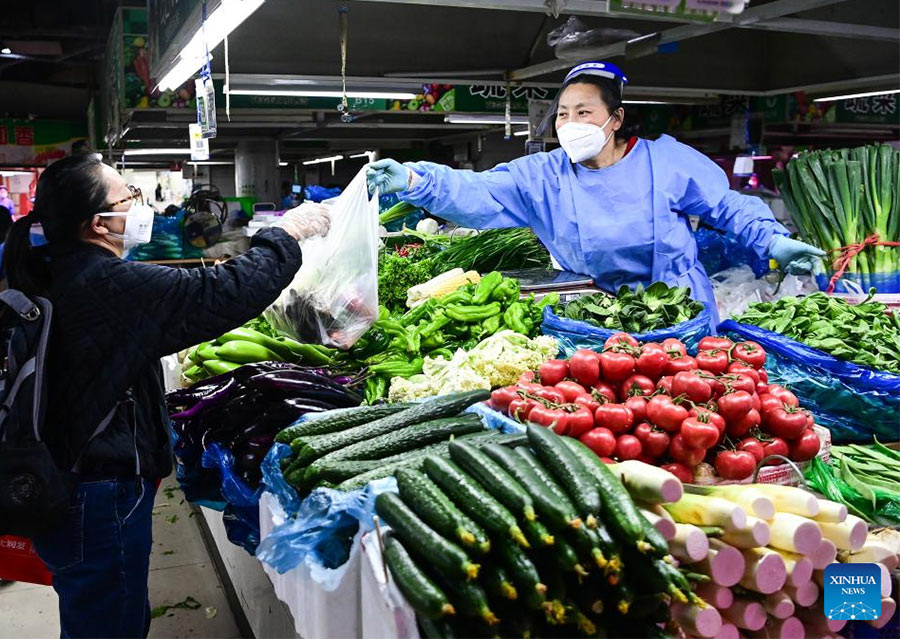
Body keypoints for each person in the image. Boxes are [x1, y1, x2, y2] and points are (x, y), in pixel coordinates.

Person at [2, 153, 329, 638]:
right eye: (127, 196)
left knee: (100, 611)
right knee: (109, 624)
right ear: (98, 223)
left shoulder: (53, 267)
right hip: (97, 493)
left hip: (70, 480)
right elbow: (224, 290)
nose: (138, 202)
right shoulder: (107, 283)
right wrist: (287, 234)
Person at [367, 61, 824, 323]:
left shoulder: (666, 161)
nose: (569, 124)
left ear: (616, 119)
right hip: (591, 316)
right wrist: (416, 180)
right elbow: (480, 193)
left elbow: (727, 206)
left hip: (679, 314)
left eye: (584, 112)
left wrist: (772, 239)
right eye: (562, 114)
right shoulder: (543, 175)